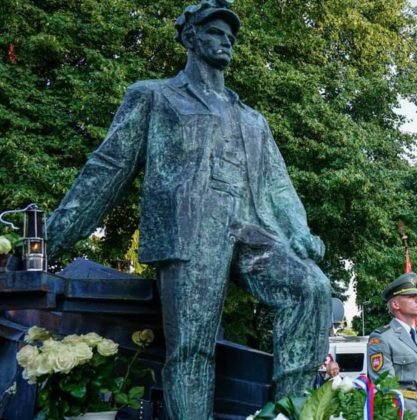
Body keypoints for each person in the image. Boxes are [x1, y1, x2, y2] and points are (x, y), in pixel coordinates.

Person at [45, 1, 331, 417]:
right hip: (190, 229)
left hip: (253, 227)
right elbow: (107, 168)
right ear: (191, 37)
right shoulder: (155, 96)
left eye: (230, 34)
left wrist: (299, 230)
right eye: (215, 31)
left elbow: (278, 185)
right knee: (192, 347)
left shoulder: (253, 119)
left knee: (311, 288)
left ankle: (295, 410)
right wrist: (49, 240)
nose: (227, 39)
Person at [367, 272, 417, 418]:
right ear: (395, 304)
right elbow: (385, 388)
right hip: (404, 414)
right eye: (411, 296)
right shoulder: (381, 338)